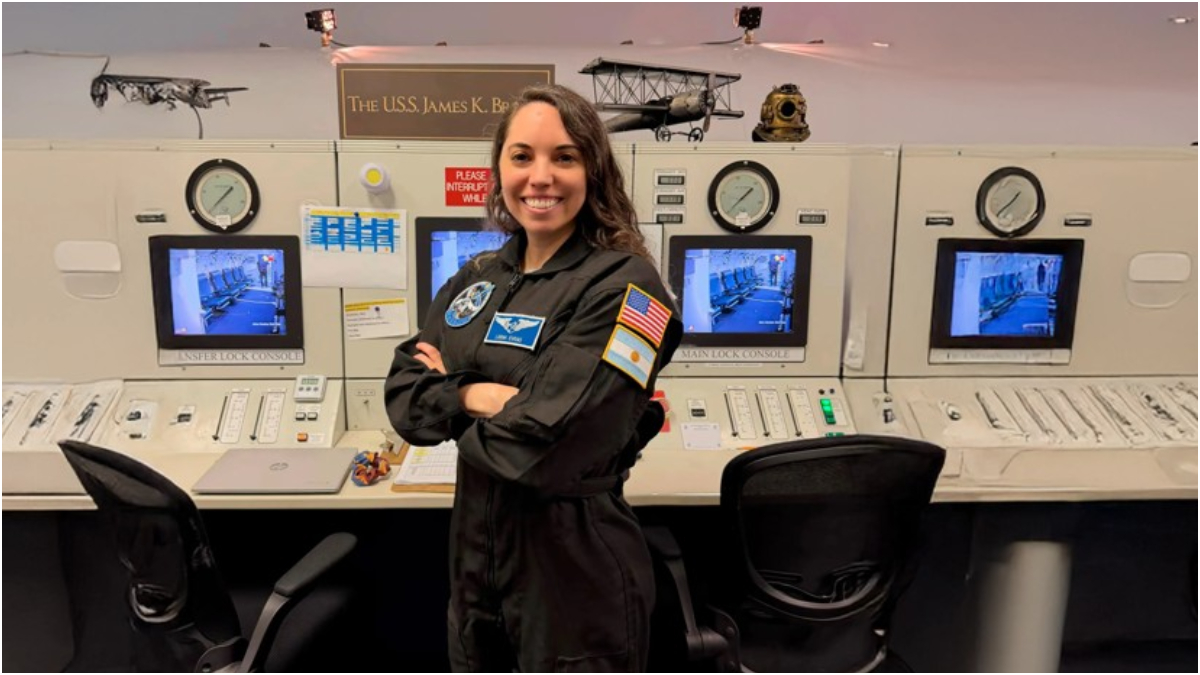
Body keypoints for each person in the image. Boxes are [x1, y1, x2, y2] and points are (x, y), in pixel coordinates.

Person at [384, 84, 682, 672]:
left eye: (564, 157)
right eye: (522, 156)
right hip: (475, 569)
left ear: (593, 171)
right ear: (499, 170)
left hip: (574, 578)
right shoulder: (478, 276)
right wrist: (480, 395)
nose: (540, 176)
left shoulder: (626, 285)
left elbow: (546, 444)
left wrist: (453, 401)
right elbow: (402, 394)